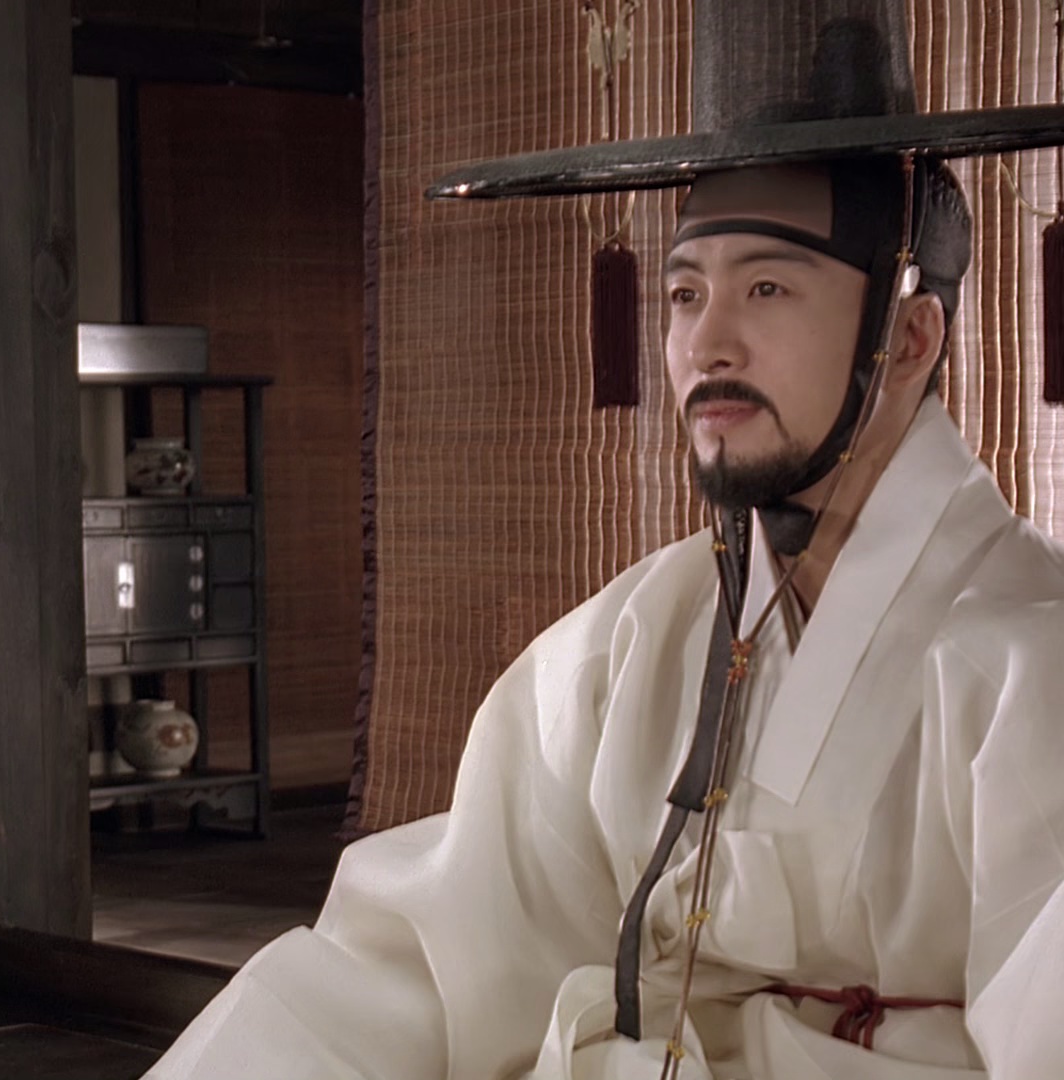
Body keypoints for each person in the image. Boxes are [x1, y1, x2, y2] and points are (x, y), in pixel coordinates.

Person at [147, 3, 1064, 1078]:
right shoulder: (627, 645)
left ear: (909, 337)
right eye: (684, 293)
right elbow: (434, 960)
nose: (706, 343)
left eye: (767, 287)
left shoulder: (1030, 665)